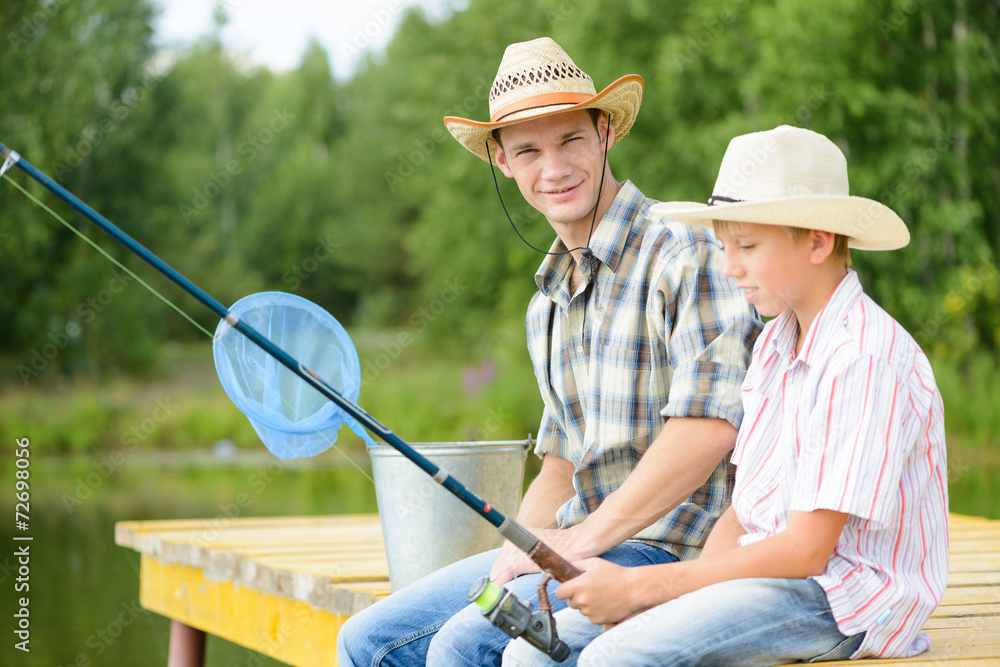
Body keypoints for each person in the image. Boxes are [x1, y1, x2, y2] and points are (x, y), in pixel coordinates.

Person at [337, 37, 760, 666]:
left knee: (464, 646)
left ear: (605, 133)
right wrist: (524, 548)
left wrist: (586, 538)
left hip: (676, 553)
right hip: (577, 546)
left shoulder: (684, 251)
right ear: (503, 163)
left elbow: (709, 429)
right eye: (529, 150)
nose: (554, 168)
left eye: (571, 141)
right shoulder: (548, 301)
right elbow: (561, 462)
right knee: (366, 642)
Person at [502, 125, 950, 666]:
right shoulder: (776, 345)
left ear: (817, 239)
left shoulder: (862, 355)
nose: (730, 265)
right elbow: (741, 516)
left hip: (841, 597)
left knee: (612, 659)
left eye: (748, 246)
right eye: (722, 247)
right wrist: (684, 596)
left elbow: (808, 549)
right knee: (529, 656)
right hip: (766, 573)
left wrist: (647, 589)